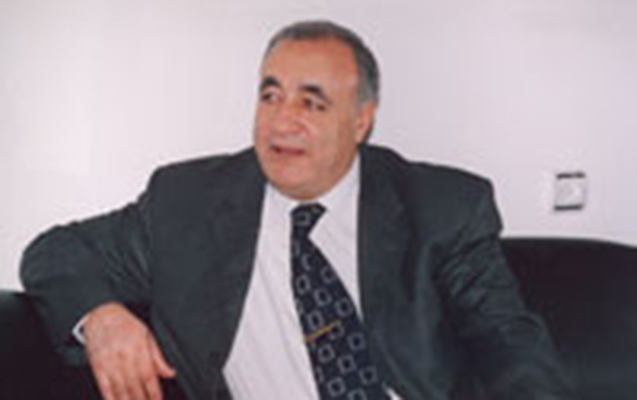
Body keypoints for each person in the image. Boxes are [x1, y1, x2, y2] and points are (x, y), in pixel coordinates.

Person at [21, 20, 572, 400]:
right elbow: (55, 252)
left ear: (361, 121)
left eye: (312, 102)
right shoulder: (187, 203)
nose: (282, 121)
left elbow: (510, 347)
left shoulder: (441, 208)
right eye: (270, 96)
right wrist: (101, 318)